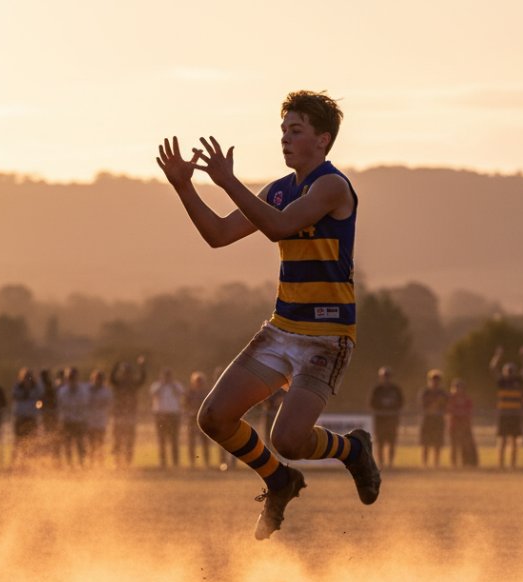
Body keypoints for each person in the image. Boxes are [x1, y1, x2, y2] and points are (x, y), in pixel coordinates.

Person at [156, 90, 380, 539]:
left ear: (323, 139)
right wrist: (184, 186)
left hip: (327, 336)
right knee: (213, 418)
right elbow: (219, 234)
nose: (285, 139)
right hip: (282, 329)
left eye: (295, 131)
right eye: (282, 131)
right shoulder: (277, 190)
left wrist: (227, 182)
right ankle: (280, 480)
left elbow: (278, 226)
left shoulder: (332, 186)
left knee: (289, 440)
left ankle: (352, 448)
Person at [489, 346, 523, 470]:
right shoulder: (501, 382)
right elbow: (492, 368)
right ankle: (501, 464)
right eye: (507, 370)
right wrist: (497, 356)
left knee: (514, 441)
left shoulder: (519, 380)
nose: (509, 372)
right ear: (504, 371)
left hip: (515, 415)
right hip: (503, 415)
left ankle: (512, 464)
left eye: (511, 370)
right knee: (501, 441)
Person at [109, 356, 146, 468]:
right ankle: (117, 461)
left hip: (130, 416)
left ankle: (127, 462)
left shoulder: (134, 384)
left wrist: (142, 366)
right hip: (119, 416)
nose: (127, 374)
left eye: (128, 372)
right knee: (118, 441)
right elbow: (111, 378)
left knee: (129, 441)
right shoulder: (118, 384)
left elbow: (142, 379)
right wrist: (115, 366)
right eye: (125, 372)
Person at [369, 367, 405, 468]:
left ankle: (390, 463)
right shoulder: (377, 390)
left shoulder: (396, 389)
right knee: (380, 442)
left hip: (392, 420)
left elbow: (401, 402)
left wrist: (393, 410)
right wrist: (381, 409)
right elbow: (372, 403)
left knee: (392, 442)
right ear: (380, 377)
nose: (386, 378)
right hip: (380, 420)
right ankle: (381, 463)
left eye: (388, 376)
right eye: (384, 376)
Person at [150, 368, 184, 469]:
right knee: (161, 440)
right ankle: (163, 461)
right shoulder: (157, 385)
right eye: (165, 375)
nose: (167, 378)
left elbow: (181, 393)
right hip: (160, 415)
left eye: (168, 375)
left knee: (174, 439)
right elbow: (153, 393)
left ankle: (175, 462)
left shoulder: (176, 385)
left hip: (174, 415)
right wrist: (162, 383)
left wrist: (171, 384)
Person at [57, 367, 89, 468]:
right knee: (67, 445)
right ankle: (69, 465)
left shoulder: (83, 390)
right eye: (69, 377)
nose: (71, 380)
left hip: (79, 421)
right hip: (67, 421)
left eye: (73, 377)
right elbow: (61, 406)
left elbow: (83, 405)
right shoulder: (62, 391)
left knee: (80, 444)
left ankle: (81, 463)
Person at [11, 368, 42, 464]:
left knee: (32, 441)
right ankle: (17, 462)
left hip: (31, 418)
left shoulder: (36, 387)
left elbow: (41, 395)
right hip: (20, 418)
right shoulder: (17, 387)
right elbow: (15, 396)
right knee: (18, 441)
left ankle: (30, 461)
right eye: (25, 377)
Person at [446, 378, 478, 468]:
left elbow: (469, 411)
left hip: (465, 426)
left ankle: (466, 463)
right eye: (456, 387)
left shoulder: (467, 399)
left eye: (461, 387)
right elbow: (449, 410)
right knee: (454, 446)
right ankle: (453, 464)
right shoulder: (450, 399)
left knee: (466, 446)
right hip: (454, 425)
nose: (458, 389)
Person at [419, 370, 448, 468]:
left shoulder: (443, 393)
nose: (435, 382)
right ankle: (425, 464)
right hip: (427, 420)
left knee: (437, 443)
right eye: (433, 379)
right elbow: (422, 405)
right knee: (425, 443)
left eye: (437, 380)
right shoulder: (425, 392)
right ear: (429, 380)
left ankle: (436, 464)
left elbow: (446, 406)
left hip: (438, 420)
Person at [185, 371, 213, 468]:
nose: (199, 382)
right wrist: (190, 411)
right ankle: (192, 462)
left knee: (205, 441)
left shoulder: (207, 393)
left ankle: (207, 462)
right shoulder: (189, 392)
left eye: (200, 381)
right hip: (192, 419)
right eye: (197, 381)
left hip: (204, 420)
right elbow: (185, 405)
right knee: (191, 441)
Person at [86, 369, 113, 466]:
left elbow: (109, 404)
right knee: (91, 444)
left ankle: (100, 462)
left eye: (100, 379)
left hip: (101, 421)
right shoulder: (87, 389)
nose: (98, 381)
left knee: (100, 443)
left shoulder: (106, 391)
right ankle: (91, 462)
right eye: (97, 379)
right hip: (90, 421)